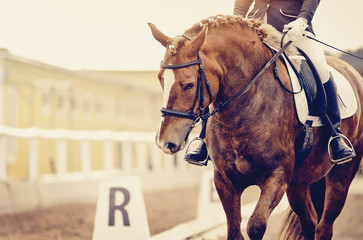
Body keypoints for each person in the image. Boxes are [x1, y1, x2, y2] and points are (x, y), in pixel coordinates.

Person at [184, 0, 355, 165]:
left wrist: (302, 21)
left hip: (293, 29)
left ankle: (335, 134)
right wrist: (238, 20)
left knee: (320, 68)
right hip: (255, 30)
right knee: (223, 71)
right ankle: (203, 139)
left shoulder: (298, 25)